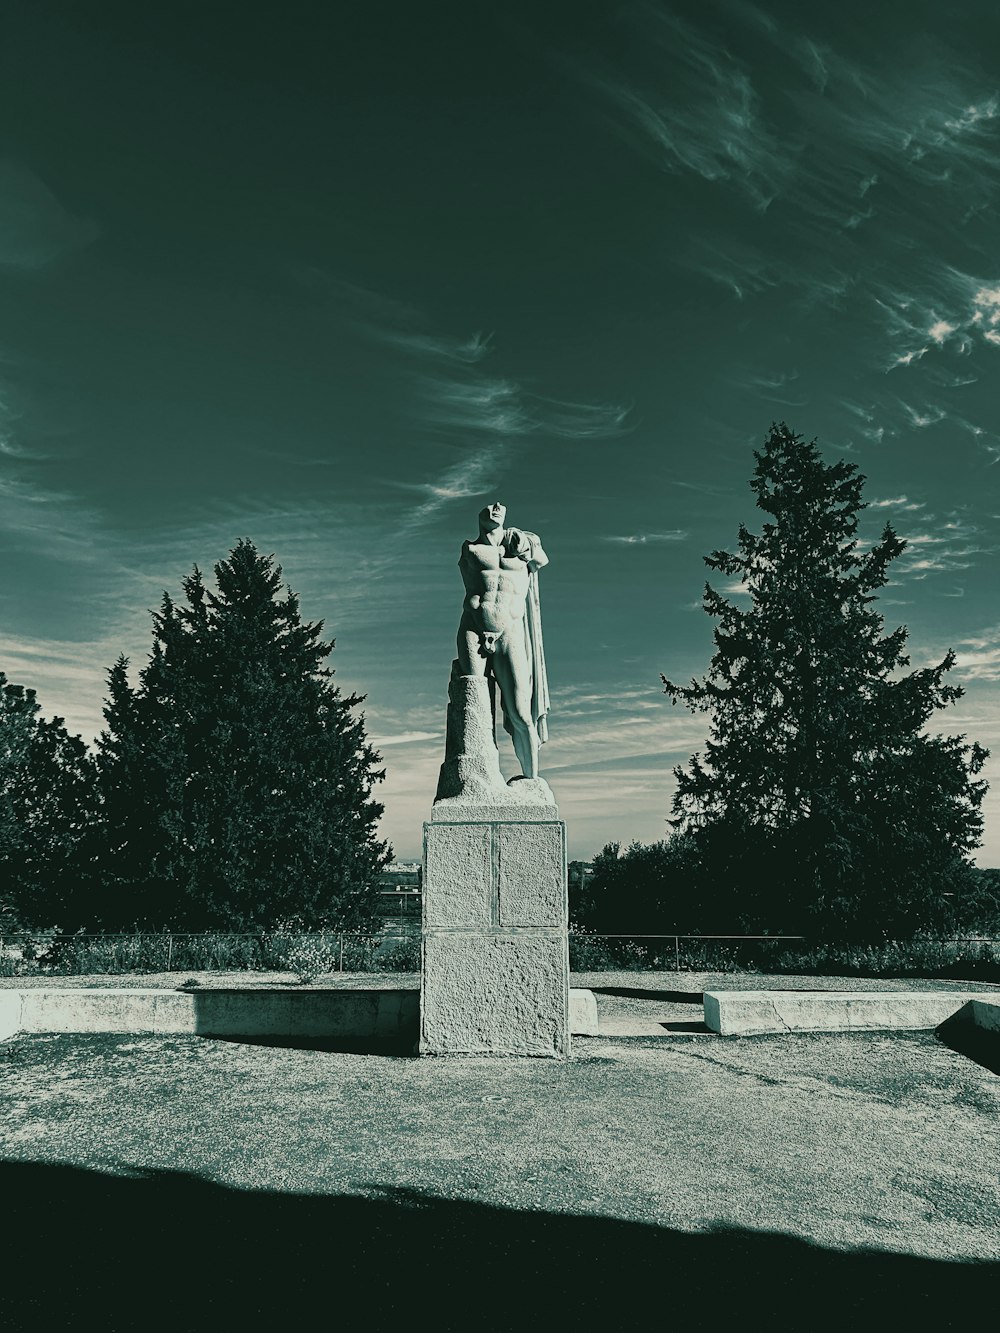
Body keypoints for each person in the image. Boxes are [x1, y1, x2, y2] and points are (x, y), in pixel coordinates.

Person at [456, 501, 550, 779]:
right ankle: (479, 776)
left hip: (510, 630)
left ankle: (531, 780)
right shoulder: (471, 549)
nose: (496, 506)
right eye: (488, 505)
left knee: (520, 712)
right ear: (478, 516)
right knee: (475, 700)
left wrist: (524, 541)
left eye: (500, 506)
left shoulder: (522, 547)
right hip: (474, 626)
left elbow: (542, 560)